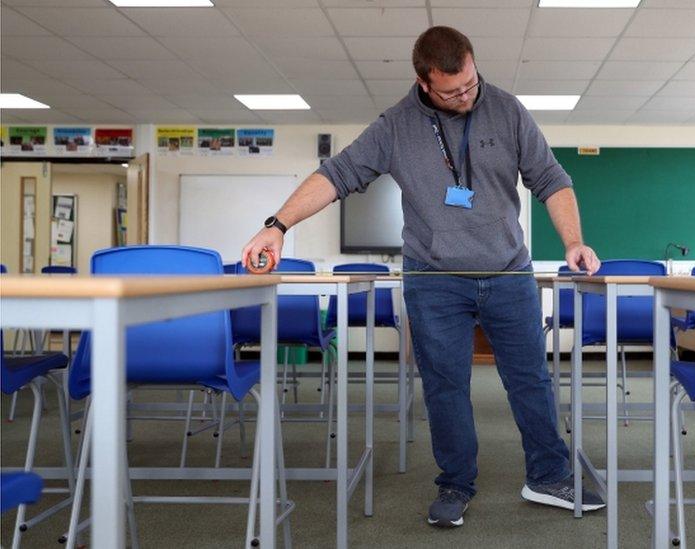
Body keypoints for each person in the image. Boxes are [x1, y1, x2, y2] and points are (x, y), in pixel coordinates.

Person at [242, 26, 604, 528]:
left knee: (530, 379)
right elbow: (337, 174)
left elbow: (551, 180)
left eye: (471, 83)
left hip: (507, 272)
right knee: (444, 385)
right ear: (424, 82)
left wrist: (572, 242)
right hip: (434, 278)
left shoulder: (507, 110)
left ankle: (548, 476)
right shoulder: (395, 126)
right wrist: (278, 225)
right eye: (453, 90)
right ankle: (455, 483)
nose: (466, 95)